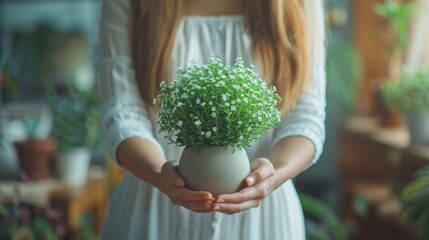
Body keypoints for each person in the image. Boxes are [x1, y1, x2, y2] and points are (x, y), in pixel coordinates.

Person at [98, 0, 325, 239]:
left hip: (263, 220)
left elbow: (306, 115)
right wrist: (162, 176)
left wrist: (273, 175)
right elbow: (122, 113)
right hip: (153, 210)